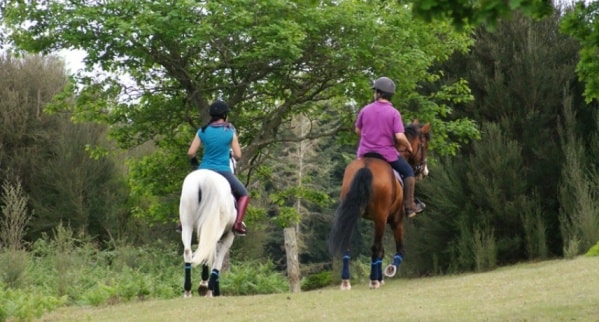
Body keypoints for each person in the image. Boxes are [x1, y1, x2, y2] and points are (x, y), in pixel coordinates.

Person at [355, 76, 425, 218]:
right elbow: (399, 136)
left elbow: (358, 130)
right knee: (408, 172)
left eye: (375, 91)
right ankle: (410, 207)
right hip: (385, 154)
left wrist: (369, 137)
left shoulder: (365, 110)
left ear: (379, 93)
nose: (374, 94)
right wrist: (408, 147)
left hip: (364, 153)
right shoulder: (394, 113)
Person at [187, 100, 250, 236]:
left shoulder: (202, 131)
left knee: (191, 193)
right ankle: (238, 224)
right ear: (225, 115)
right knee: (244, 194)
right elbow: (238, 155)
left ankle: (183, 221)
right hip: (223, 171)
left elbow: (191, 152)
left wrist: (194, 162)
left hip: (204, 170)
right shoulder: (230, 132)